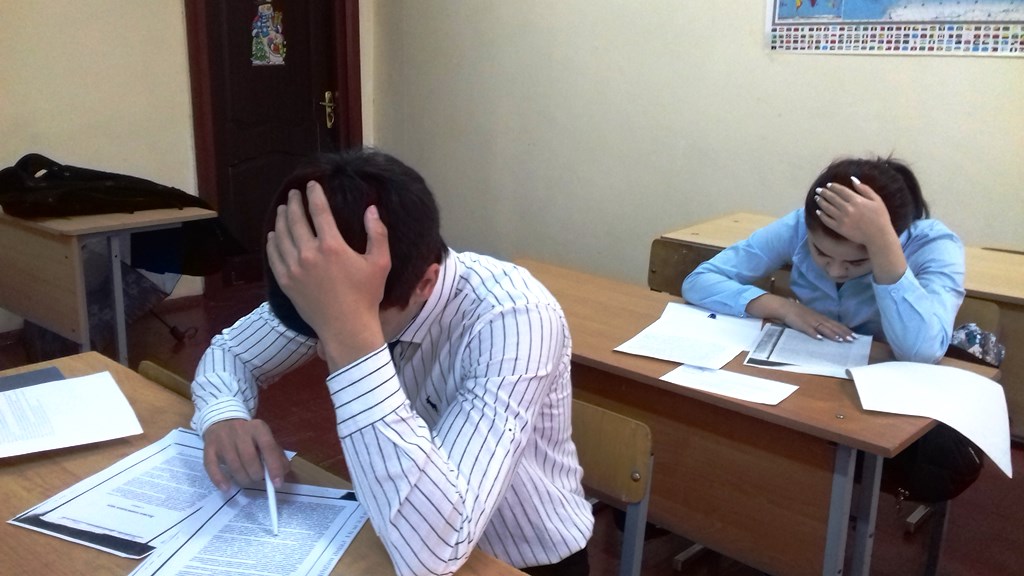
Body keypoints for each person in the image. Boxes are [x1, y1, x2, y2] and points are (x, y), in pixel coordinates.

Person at [190, 148, 594, 576]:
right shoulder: (341, 286)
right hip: (397, 534)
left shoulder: (514, 317)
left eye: (342, 324)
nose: (323, 349)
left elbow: (434, 551)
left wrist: (352, 341)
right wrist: (224, 414)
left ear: (426, 283)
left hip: (523, 562)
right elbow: (229, 355)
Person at [682, 156, 965, 364]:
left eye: (857, 263)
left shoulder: (933, 244)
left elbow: (922, 353)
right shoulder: (800, 225)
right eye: (821, 254)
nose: (836, 271)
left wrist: (882, 243)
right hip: (811, 369)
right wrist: (784, 309)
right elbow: (700, 281)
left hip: (886, 383)